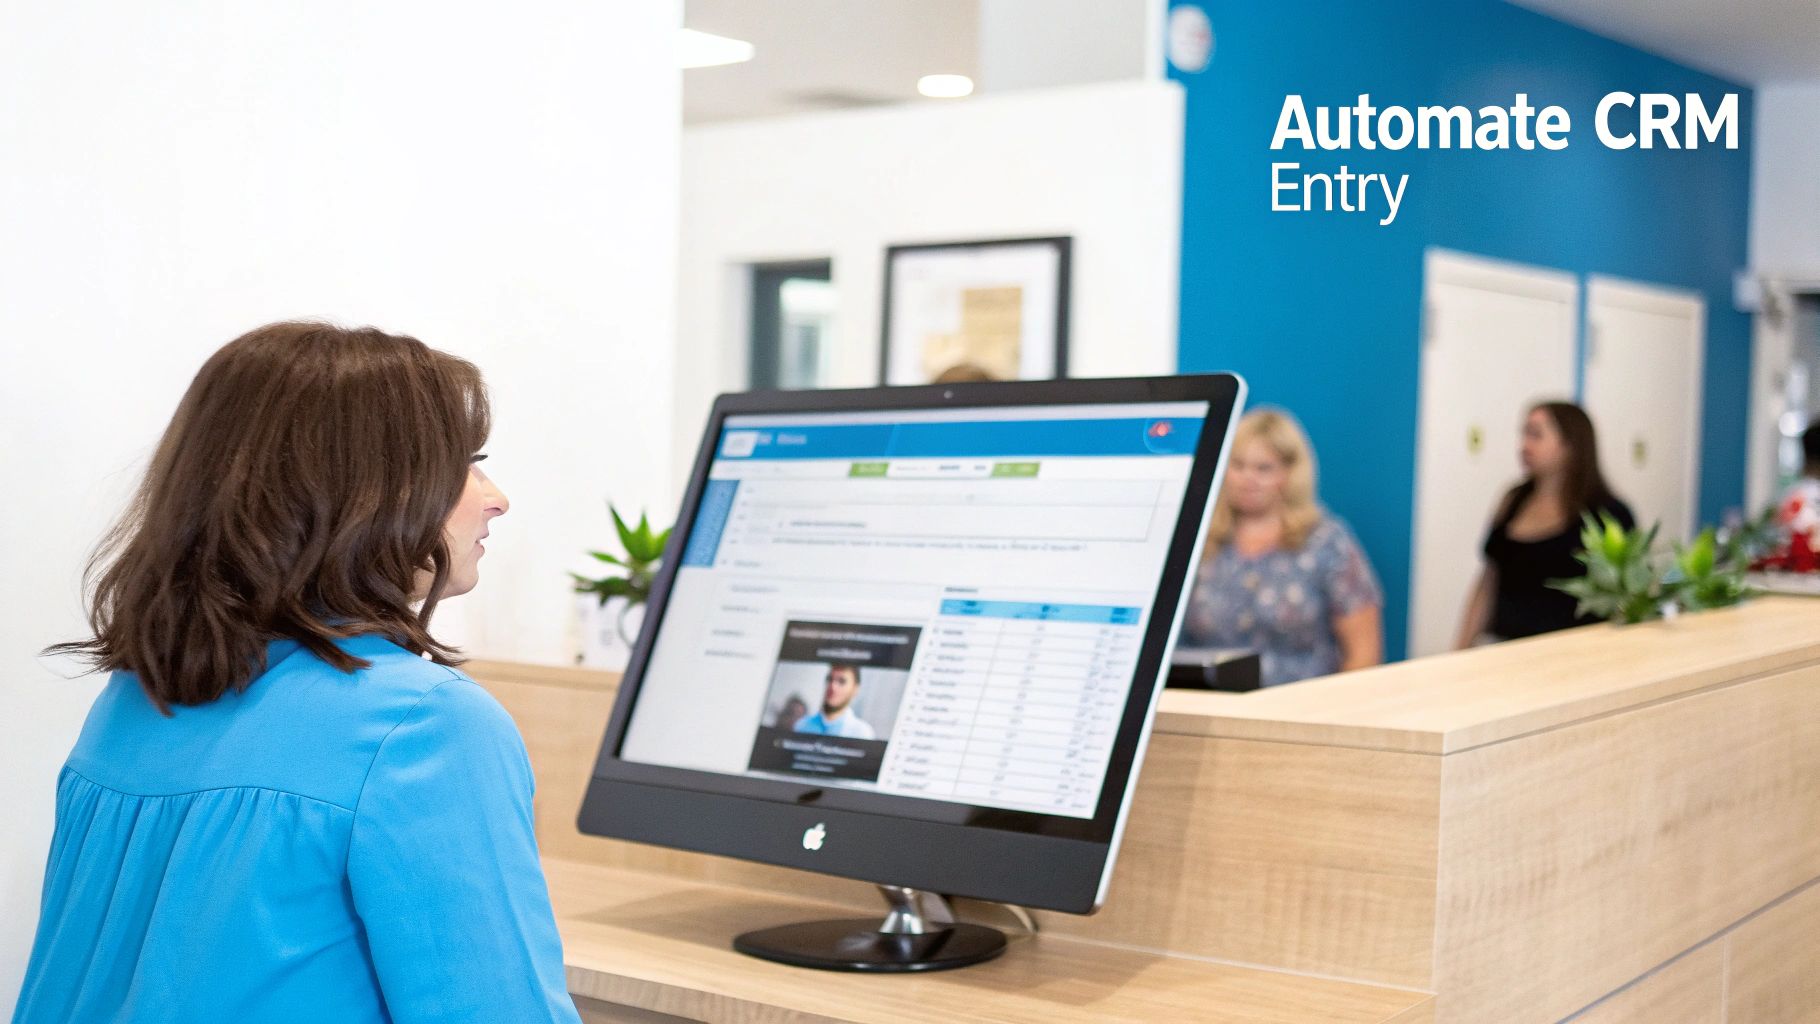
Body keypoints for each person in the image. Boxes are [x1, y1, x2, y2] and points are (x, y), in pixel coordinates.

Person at [16, 322, 581, 1023]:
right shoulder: (424, 727)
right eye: (464, 463)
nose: (495, 498)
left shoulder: (137, 698)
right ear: (367, 490)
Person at [1180, 409, 1383, 687]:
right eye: (1238, 465)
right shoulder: (1199, 540)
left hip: (1302, 704)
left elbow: (1363, 654)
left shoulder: (1326, 542)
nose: (1248, 478)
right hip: (1207, 704)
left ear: (1290, 473)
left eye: (1263, 468)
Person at [1456, 401, 1635, 647]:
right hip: (1503, 648)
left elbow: (1626, 596)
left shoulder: (1608, 515)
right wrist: (1461, 647)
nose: (1524, 445)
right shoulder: (1513, 499)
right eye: (1524, 434)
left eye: (1536, 435)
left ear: (1570, 445)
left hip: (1573, 653)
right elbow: (1488, 582)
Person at [791, 662, 877, 739]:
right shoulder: (801, 726)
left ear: (855, 689)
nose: (832, 687)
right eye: (830, 679)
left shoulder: (862, 733)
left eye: (842, 681)